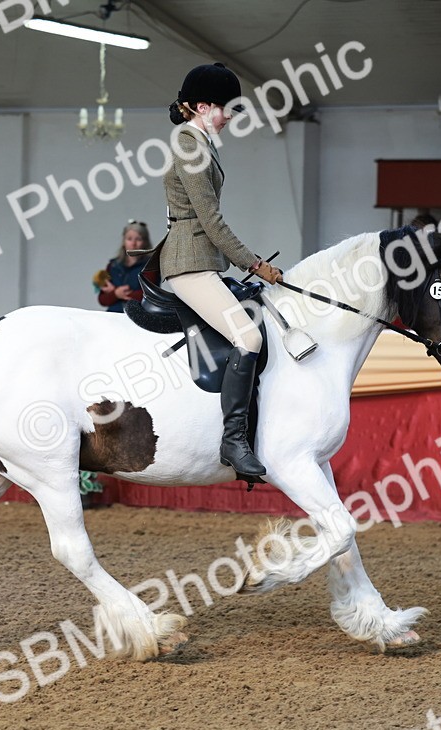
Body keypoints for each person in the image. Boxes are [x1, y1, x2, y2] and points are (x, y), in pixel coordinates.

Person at [149, 62, 281, 481]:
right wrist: (254, 263)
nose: (229, 118)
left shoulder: (201, 142)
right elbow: (210, 221)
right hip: (189, 264)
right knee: (249, 335)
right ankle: (234, 439)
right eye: (226, 109)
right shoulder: (189, 144)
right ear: (202, 106)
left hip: (202, 260)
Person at [95, 221, 151, 312]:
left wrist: (118, 292)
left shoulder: (150, 266)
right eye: (129, 239)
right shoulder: (112, 266)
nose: (133, 243)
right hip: (113, 316)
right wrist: (116, 294)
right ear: (123, 241)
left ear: (145, 242)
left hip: (138, 316)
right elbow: (102, 299)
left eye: (138, 239)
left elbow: (150, 297)